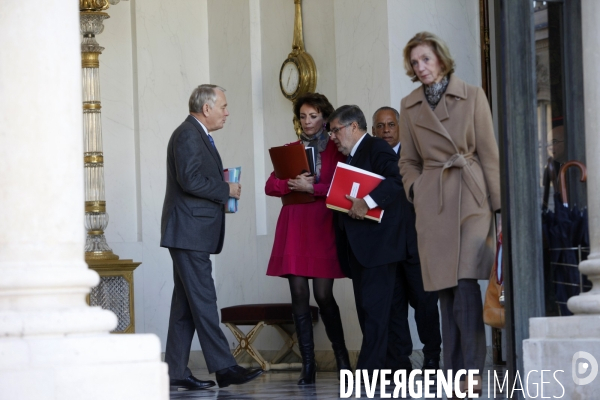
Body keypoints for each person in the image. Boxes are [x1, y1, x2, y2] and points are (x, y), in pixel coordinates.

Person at [398, 32, 501, 393]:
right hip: (434, 200)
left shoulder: (473, 95)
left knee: (465, 283)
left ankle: (472, 370)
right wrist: (417, 188)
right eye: (414, 62)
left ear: (441, 58)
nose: (420, 67)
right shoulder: (409, 105)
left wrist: (499, 206)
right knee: (445, 290)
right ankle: (453, 371)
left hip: (471, 198)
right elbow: (407, 160)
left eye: (426, 59)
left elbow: (488, 152)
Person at [160, 84, 263, 390]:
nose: (227, 112)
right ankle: (225, 367)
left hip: (189, 232)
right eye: (224, 106)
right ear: (206, 109)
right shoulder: (189, 134)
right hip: (189, 232)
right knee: (204, 300)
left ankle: (176, 372)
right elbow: (190, 179)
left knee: (185, 306)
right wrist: (225, 190)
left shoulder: (196, 133)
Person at [266, 92, 350, 385]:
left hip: (323, 223)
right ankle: (308, 365)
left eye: (313, 116)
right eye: (303, 116)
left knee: (324, 295)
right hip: (294, 225)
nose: (308, 121)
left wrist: (311, 187)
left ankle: (343, 361)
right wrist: (291, 183)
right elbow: (270, 185)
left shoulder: (336, 150)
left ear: (325, 118)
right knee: (299, 294)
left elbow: (341, 187)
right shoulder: (291, 148)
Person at [328, 105, 404, 375]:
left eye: (336, 130)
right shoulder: (349, 156)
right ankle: (393, 369)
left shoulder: (375, 147)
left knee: (374, 313)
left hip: (379, 248)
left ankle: (369, 374)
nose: (333, 137)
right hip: (360, 249)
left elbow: (397, 180)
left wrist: (367, 202)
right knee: (372, 312)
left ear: (353, 127)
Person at [371, 107, 442, 374]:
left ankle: (432, 355)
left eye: (391, 124)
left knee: (425, 304)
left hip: (417, 244)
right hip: (386, 248)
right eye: (380, 126)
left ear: (400, 127)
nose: (386, 130)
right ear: (373, 130)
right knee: (394, 307)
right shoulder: (371, 158)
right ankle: (401, 362)